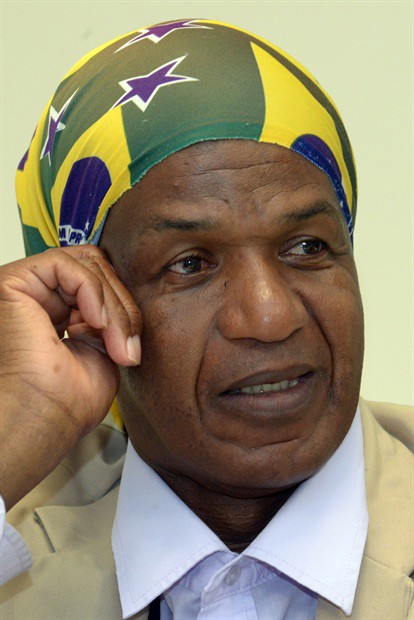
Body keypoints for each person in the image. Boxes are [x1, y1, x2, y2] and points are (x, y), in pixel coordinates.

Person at [0, 18, 412, 620]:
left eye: (307, 246)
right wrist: (19, 428)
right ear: (89, 307)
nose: (270, 316)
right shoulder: (16, 538)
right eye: (190, 264)